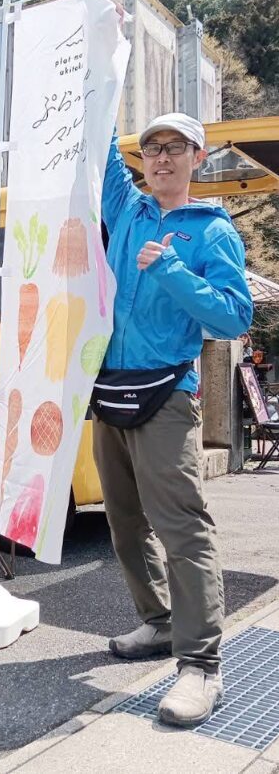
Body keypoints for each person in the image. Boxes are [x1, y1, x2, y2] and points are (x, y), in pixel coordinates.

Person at [93, 112, 253, 728]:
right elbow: (102, 150)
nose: (161, 157)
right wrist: (97, 69)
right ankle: (158, 623)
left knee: (182, 530)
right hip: (109, 389)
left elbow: (233, 317)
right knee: (124, 525)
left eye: (175, 147)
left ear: (197, 157)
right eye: (153, 148)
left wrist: (170, 269)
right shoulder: (127, 209)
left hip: (167, 395)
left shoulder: (211, 230)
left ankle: (202, 666)